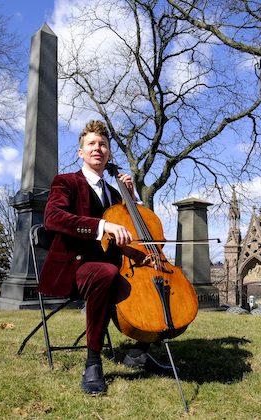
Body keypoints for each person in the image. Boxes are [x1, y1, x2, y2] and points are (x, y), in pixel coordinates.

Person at [38, 120, 173, 395]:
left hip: (114, 266)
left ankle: (139, 352)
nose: (97, 148)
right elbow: (53, 218)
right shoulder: (66, 182)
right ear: (81, 152)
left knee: (155, 282)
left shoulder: (114, 194)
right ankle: (93, 362)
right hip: (76, 268)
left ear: (109, 153)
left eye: (103, 144)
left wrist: (131, 197)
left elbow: (136, 228)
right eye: (91, 144)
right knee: (106, 274)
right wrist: (102, 226)